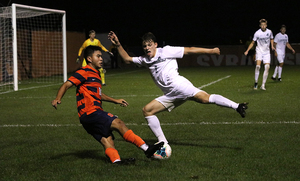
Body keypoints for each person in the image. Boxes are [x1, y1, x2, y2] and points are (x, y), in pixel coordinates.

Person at [108, 31, 248, 145]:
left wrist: (210, 51)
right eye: (144, 46)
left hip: (180, 87)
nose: (147, 48)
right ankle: (163, 142)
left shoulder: (166, 51)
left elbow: (189, 50)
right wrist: (118, 44)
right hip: (170, 94)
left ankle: (237, 106)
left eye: (149, 45)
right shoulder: (145, 59)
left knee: (206, 99)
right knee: (147, 111)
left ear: (155, 45)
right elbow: (127, 59)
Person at [52, 45, 164, 164]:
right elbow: (66, 84)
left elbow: (98, 94)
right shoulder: (83, 72)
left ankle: (116, 162)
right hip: (91, 112)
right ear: (89, 59)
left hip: (86, 117)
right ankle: (147, 148)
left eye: (101, 56)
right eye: (98, 56)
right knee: (119, 123)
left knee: (107, 140)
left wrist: (115, 100)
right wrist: (57, 98)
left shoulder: (96, 74)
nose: (101, 59)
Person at [244, 19, 275, 90]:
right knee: (258, 66)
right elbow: (252, 42)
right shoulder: (257, 33)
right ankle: (256, 82)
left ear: (266, 25)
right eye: (262, 25)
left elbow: (272, 38)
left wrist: (272, 45)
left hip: (266, 52)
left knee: (267, 67)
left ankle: (263, 85)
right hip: (259, 51)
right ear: (260, 25)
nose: (263, 26)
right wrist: (247, 50)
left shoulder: (269, 32)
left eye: (264, 25)